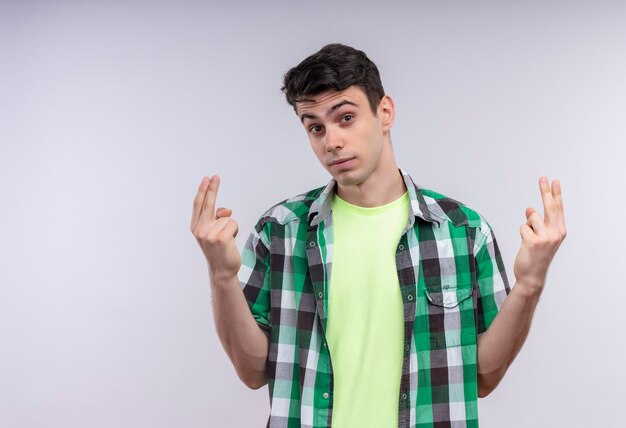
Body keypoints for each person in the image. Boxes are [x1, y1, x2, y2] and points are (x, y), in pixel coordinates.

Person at [190, 43, 567, 428]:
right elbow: (252, 372)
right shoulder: (280, 230)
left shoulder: (462, 231)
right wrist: (221, 275)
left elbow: (484, 377)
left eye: (346, 117)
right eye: (315, 126)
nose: (331, 141)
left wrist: (530, 282)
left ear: (384, 112)